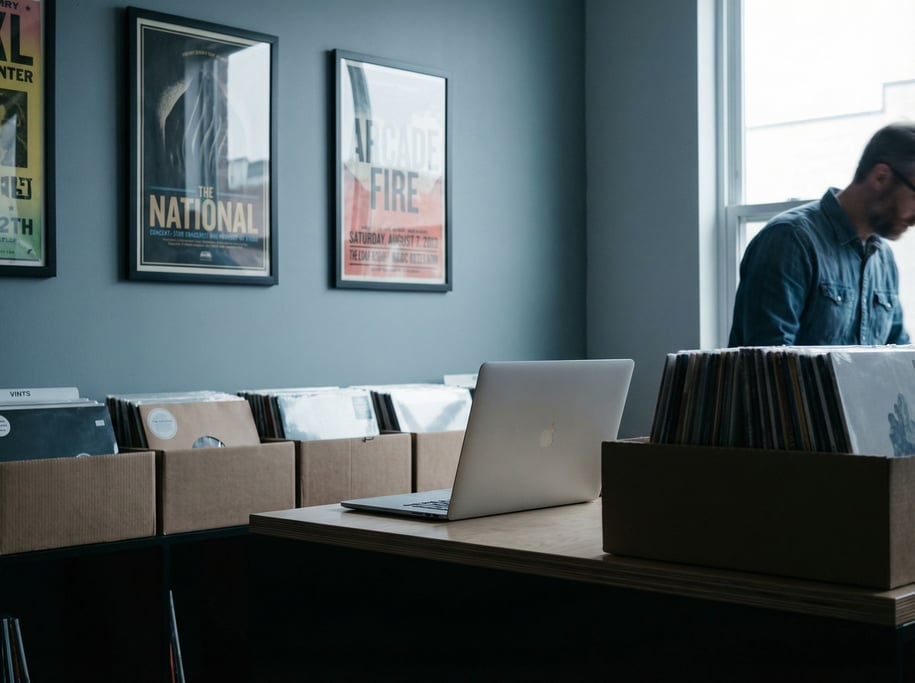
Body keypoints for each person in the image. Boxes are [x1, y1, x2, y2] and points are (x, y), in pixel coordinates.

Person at [728, 122, 915, 347]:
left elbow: (899, 356)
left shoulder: (884, 260)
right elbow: (768, 363)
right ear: (881, 178)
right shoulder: (790, 240)